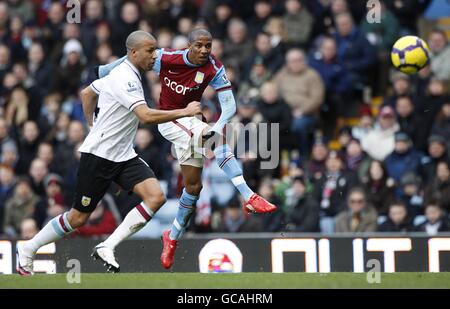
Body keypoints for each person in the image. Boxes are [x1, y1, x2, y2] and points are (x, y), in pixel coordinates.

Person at [16, 31, 202, 276]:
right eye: (150, 51)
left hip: (123, 155)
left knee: (156, 197)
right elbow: (145, 116)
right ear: (134, 52)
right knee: (78, 219)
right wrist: (184, 111)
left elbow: (87, 93)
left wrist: (91, 123)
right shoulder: (125, 78)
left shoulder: (124, 73)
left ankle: (108, 245)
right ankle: (29, 248)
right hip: (99, 157)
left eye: (156, 50)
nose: (155, 55)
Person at [97, 29, 277, 270]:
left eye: (208, 46)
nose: (204, 50)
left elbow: (229, 105)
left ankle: (171, 237)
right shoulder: (166, 58)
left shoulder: (213, 68)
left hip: (191, 124)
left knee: (193, 188)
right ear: (189, 46)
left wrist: (217, 127)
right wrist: (104, 71)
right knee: (217, 142)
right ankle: (249, 196)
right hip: (169, 121)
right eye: (199, 46)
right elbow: (132, 59)